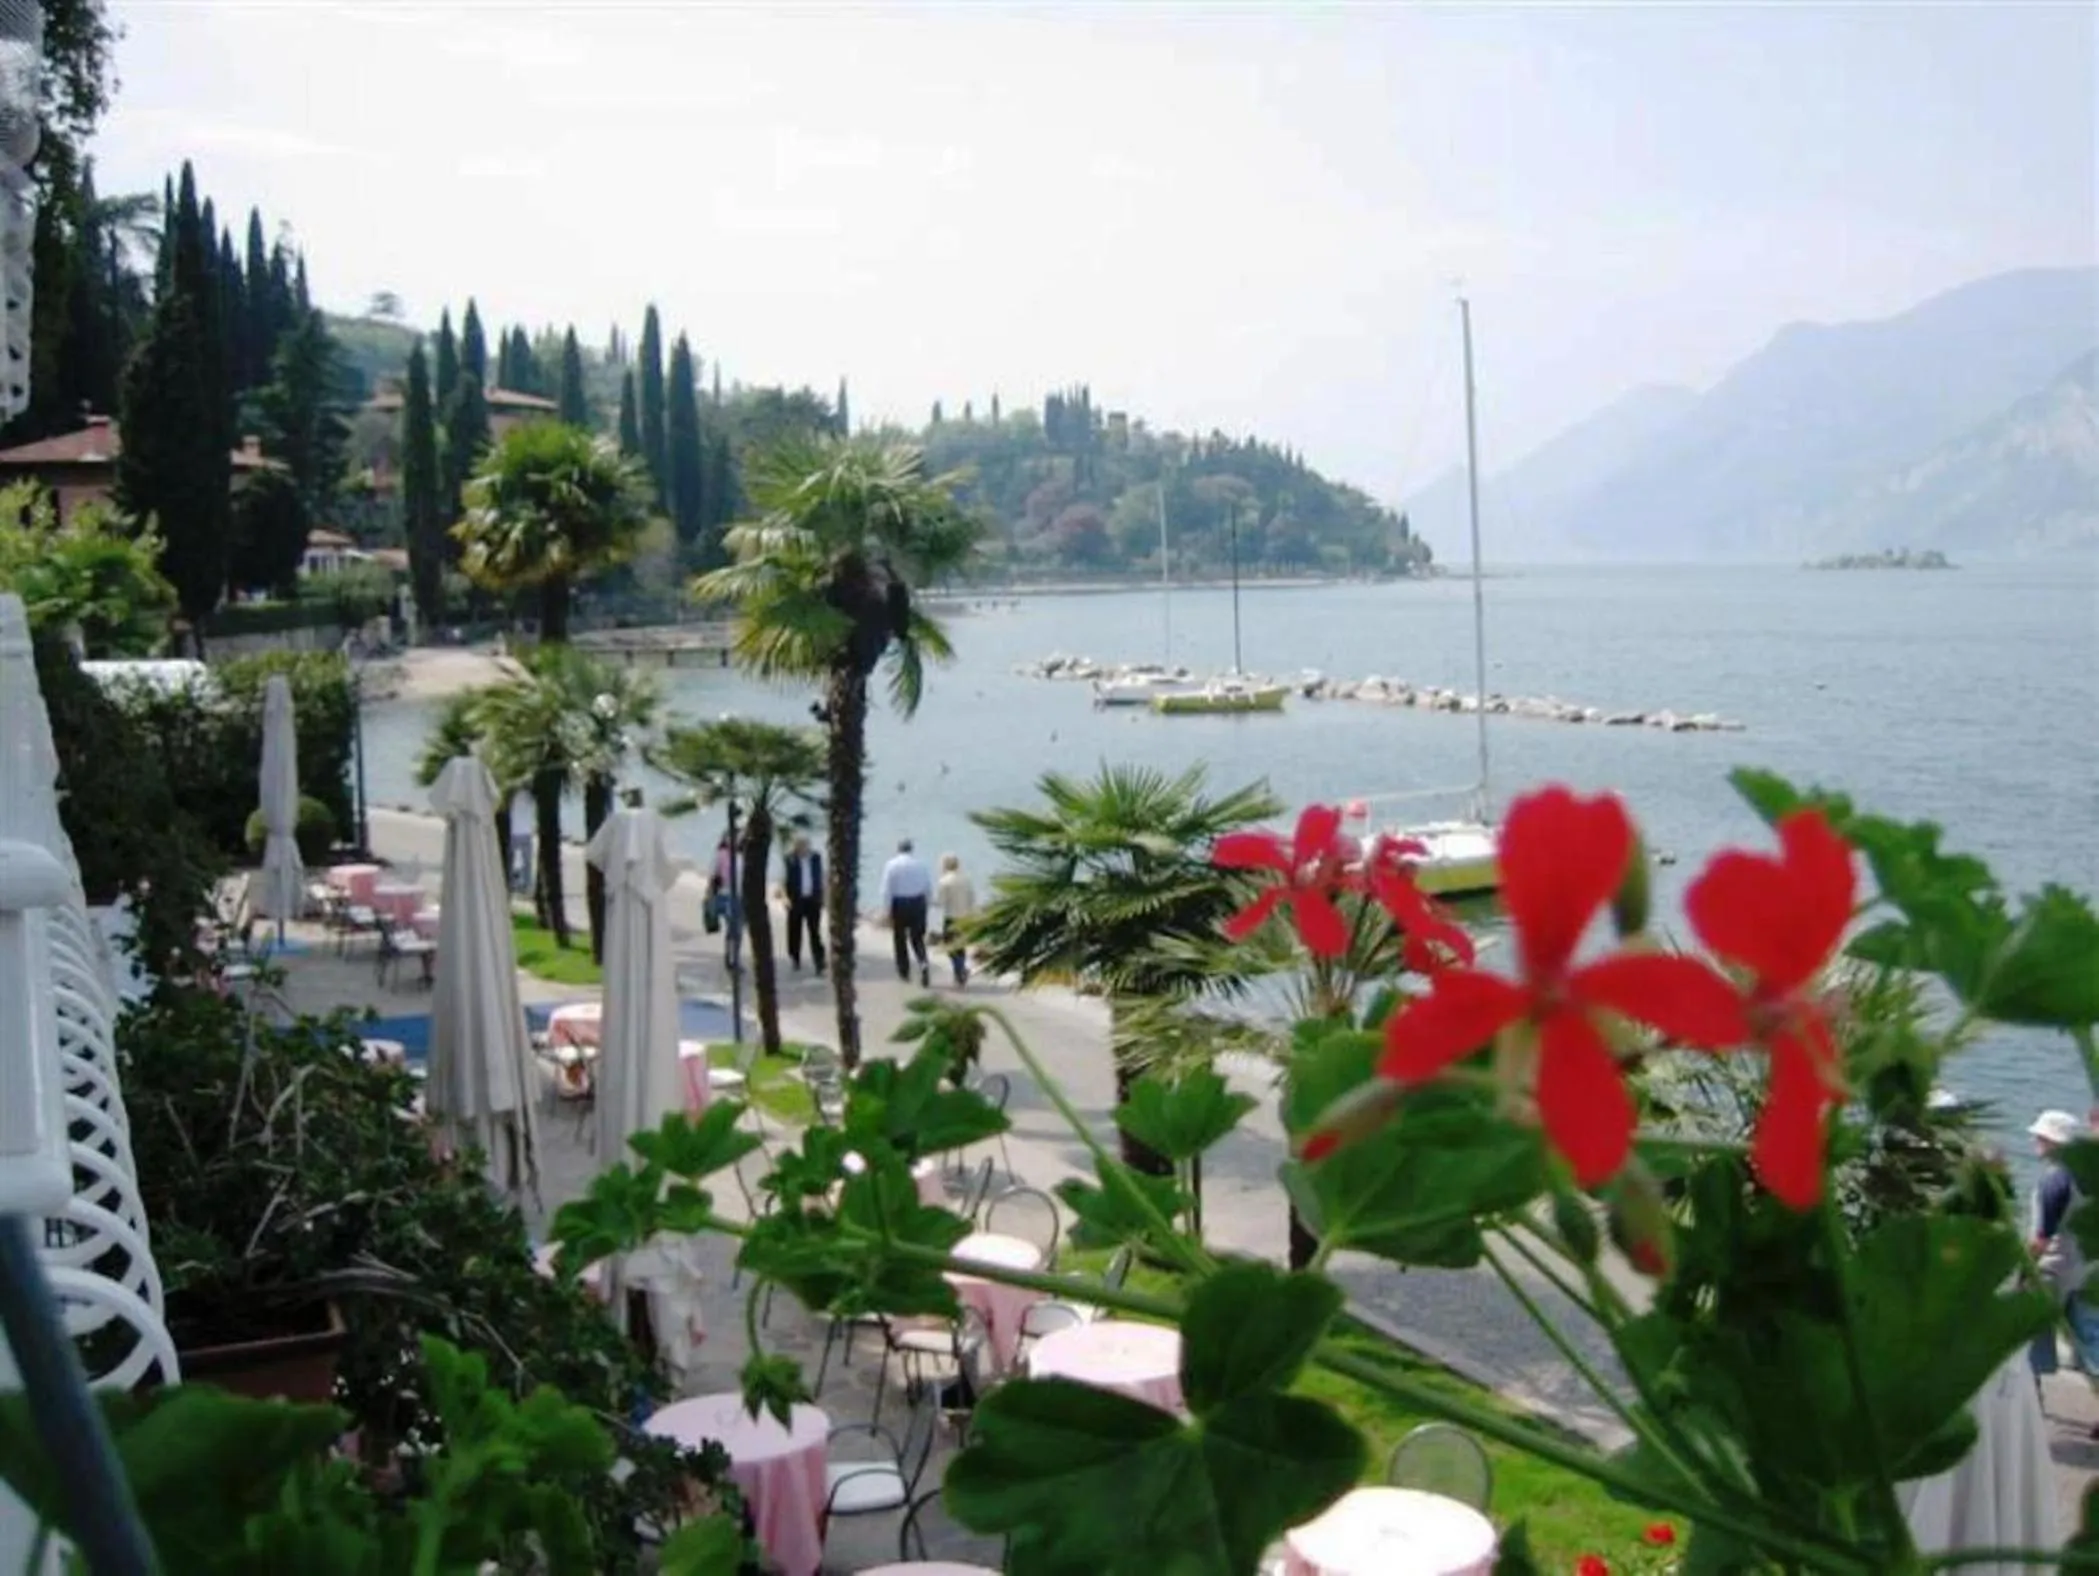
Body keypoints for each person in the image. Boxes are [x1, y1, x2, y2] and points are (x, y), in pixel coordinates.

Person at [2025, 1108, 2099, 1401]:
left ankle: (2033, 1397)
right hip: (2086, 1268)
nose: (2036, 1143)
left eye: (2041, 1138)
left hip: (2053, 1269)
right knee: (2089, 1338)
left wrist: (2023, 1270)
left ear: (2052, 1142)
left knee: (2031, 1334)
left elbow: (2041, 1238)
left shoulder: (2054, 1181)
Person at [880, 838, 933, 987]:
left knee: (900, 938)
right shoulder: (921, 864)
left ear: (898, 849)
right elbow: (927, 887)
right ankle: (923, 962)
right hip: (918, 902)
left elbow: (886, 890)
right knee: (917, 937)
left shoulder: (891, 865)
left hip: (900, 903)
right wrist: (927, 905)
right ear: (911, 849)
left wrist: (887, 910)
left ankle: (904, 971)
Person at [782, 833, 826, 973]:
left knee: (815, 931)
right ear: (796, 846)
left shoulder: (816, 858)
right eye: (800, 845)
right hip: (795, 899)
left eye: (806, 845)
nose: (804, 848)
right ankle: (795, 958)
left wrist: (824, 896)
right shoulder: (789, 859)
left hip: (813, 899)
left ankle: (819, 961)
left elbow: (822, 876)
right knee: (795, 930)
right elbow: (782, 880)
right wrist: (785, 898)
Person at [934, 852, 977, 987]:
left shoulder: (944, 881)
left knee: (949, 946)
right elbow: (972, 899)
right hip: (965, 917)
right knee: (960, 946)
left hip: (951, 917)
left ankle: (960, 969)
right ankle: (959, 975)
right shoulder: (966, 879)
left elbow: (940, 902)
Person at [708, 833, 743, 972]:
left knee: (736, 930)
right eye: (731, 837)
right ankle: (732, 958)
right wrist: (710, 894)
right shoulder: (721, 855)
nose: (735, 840)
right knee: (734, 927)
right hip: (725, 895)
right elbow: (712, 875)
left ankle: (732, 956)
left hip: (740, 896)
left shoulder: (741, 855)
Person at [508, 787, 536, 895]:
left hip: (515, 831)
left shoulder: (513, 795)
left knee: (513, 860)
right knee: (526, 861)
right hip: (524, 832)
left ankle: (514, 884)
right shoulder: (531, 796)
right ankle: (526, 885)